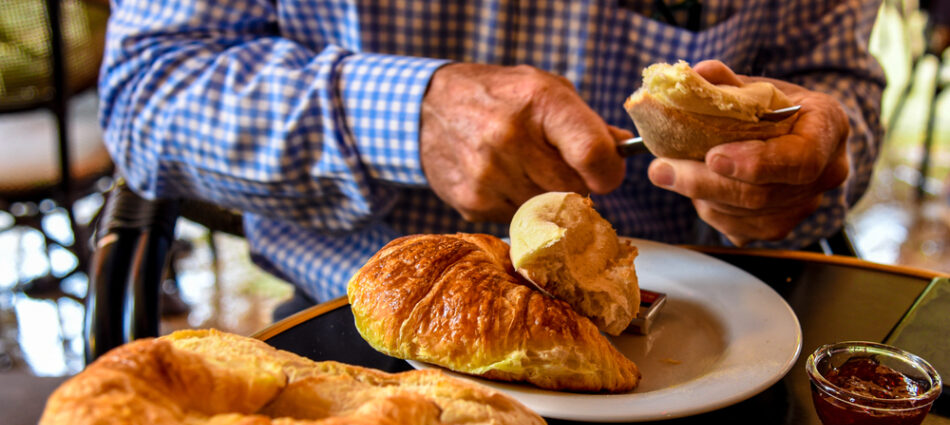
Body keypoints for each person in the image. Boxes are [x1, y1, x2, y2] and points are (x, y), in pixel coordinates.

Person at [98, 0, 885, 307]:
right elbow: (144, 92)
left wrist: (802, 162)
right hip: (366, 326)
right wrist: (411, 114)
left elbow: (835, 83)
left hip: (695, 331)